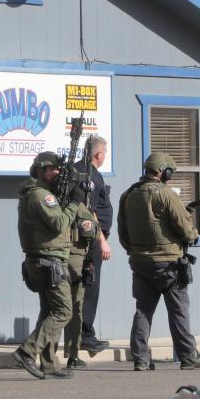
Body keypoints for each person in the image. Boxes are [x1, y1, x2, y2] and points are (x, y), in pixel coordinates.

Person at [117, 152, 200, 371]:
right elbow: (186, 229)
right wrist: (193, 235)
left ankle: (141, 358)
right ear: (164, 172)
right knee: (178, 309)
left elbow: (122, 233)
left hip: (140, 262)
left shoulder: (127, 194)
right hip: (168, 264)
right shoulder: (166, 194)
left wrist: (137, 252)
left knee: (143, 310)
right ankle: (188, 356)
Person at [13, 151, 85, 380]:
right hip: (49, 261)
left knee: (48, 312)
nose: (56, 172)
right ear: (40, 170)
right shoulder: (42, 196)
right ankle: (27, 351)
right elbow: (59, 223)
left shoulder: (31, 194)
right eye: (52, 169)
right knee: (64, 311)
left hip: (39, 260)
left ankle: (49, 364)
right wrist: (74, 202)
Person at [77, 136, 113, 355]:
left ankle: (82, 336)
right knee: (90, 287)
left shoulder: (82, 172)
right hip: (90, 241)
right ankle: (86, 336)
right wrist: (102, 240)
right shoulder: (88, 176)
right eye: (104, 153)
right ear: (98, 154)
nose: (104, 156)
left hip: (88, 239)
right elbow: (91, 212)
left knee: (85, 287)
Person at [63, 200, 100, 369]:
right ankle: (72, 355)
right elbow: (93, 231)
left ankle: (48, 355)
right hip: (74, 262)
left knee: (53, 310)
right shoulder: (77, 206)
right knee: (75, 309)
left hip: (53, 259)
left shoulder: (46, 200)